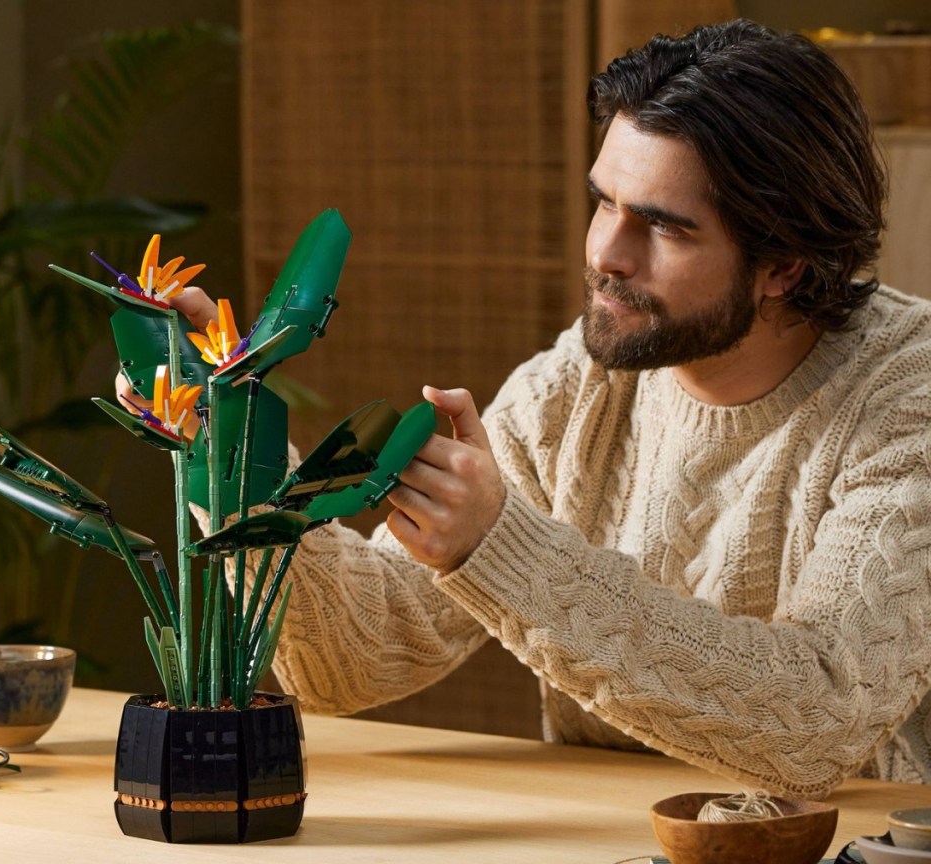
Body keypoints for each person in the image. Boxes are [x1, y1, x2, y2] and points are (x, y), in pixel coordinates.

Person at [121, 19, 931, 799]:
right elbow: (349, 661)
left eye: (664, 228)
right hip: (598, 838)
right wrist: (227, 443)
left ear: (784, 267)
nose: (607, 255)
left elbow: (823, 719)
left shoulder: (908, 397)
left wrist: (500, 546)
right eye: (605, 202)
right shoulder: (580, 384)